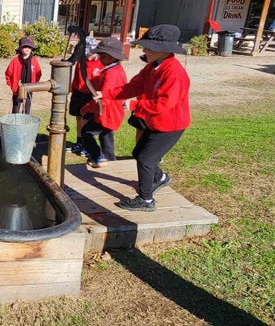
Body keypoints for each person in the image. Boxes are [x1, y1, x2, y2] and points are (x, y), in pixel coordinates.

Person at [93, 24, 190, 211]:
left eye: (149, 47)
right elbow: (133, 87)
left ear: (164, 50)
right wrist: (106, 95)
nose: (144, 50)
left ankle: (146, 200)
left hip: (171, 124)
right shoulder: (153, 66)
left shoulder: (174, 72)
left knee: (146, 158)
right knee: (139, 153)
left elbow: (164, 104)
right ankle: (161, 178)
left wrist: (134, 105)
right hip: (157, 122)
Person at [79, 38, 128, 168]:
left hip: (107, 112)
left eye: (102, 55)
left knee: (86, 132)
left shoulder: (112, 73)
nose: (99, 58)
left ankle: (97, 157)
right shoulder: (115, 70)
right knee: (106, 136)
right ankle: (110, 160)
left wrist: (87, 108)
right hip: (114, 112)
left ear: (111, 57)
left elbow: (103, 98)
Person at [66, 36, 101, 157]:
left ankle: (87, 145)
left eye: (88, 53)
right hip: (78, 93)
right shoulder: (81, 60)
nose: (86, 56)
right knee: (78, 119)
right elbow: (77, 75)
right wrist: (73, 89)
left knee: (87, 120)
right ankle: (79, 142)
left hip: (91, 95)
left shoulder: (100, 63)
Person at [5, 36, 42, 114]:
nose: (27, 48)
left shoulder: (34, 60)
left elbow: (38, 73)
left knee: (27, 109)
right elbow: (8, 74)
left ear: (32, 48)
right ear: (20, 49)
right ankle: (14, 124)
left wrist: (34, 84)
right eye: (25, 46)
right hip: (17, 89)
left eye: (29, 46)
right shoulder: (15, 61)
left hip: (29, 88)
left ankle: (25, 124)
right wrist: (13, 86)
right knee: (15, 108)